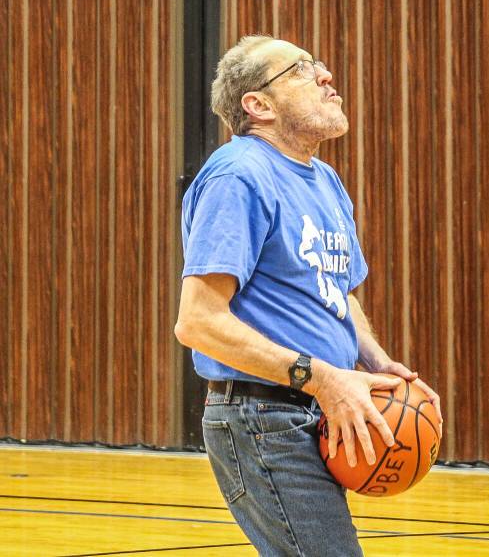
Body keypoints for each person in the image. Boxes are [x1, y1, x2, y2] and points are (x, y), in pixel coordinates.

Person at [175, 34, 442, 556]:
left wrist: (375, 359)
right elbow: (198, 321)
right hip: (262, 417)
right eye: (300, 69)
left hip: (314, 409)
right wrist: (324, 379)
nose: (326, 76)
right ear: (259, 105)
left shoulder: (324, 179)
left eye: (318, 64)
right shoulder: (239, 176)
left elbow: (336, 293)